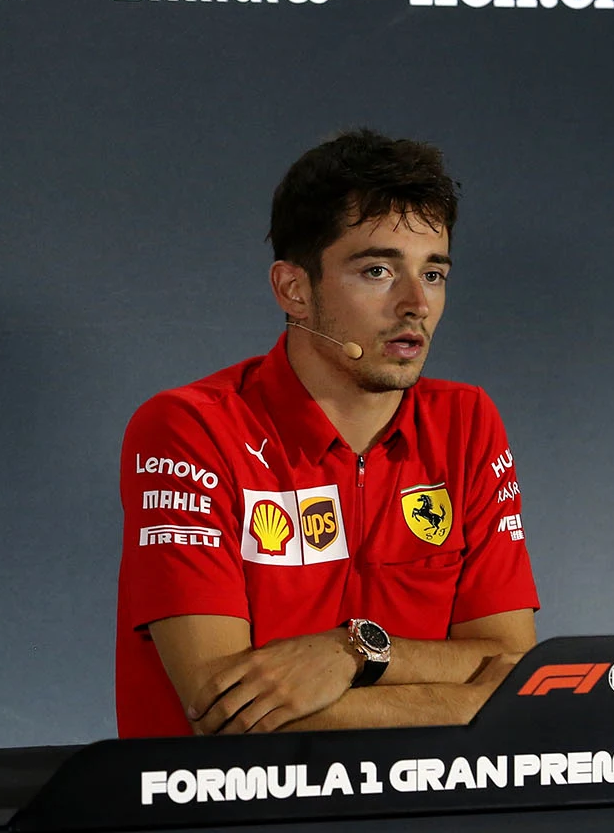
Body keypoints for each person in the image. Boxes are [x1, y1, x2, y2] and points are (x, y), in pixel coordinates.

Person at [116, 130, 539, 737]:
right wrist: (463, 699)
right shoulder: (190, 428)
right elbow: (228, 711)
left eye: (434, 273)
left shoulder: (467, 423)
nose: (416, 303)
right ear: (294, 290)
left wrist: (353, 653)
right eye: (376, 270)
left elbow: (519, 679)